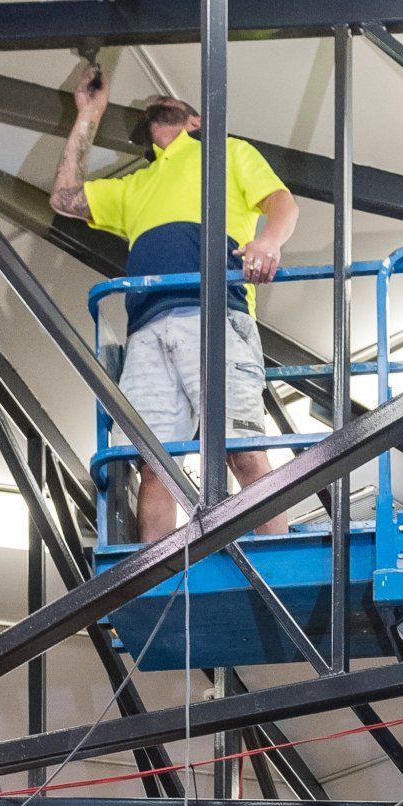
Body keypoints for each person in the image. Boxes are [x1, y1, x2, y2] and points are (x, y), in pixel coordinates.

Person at [49, 66, 300, 544]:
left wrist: (268, 243)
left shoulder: (226, 153)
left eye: (173, 106)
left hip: (215, 315)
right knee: (155, 467)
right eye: (151, 112)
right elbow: (63, 199)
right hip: (147, 329)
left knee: (242, 449)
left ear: (197, 121)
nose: (156, 105)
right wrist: (89, 113)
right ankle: (157, 573)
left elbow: (282, 204)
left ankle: (273, 555)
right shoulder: (134, 186)